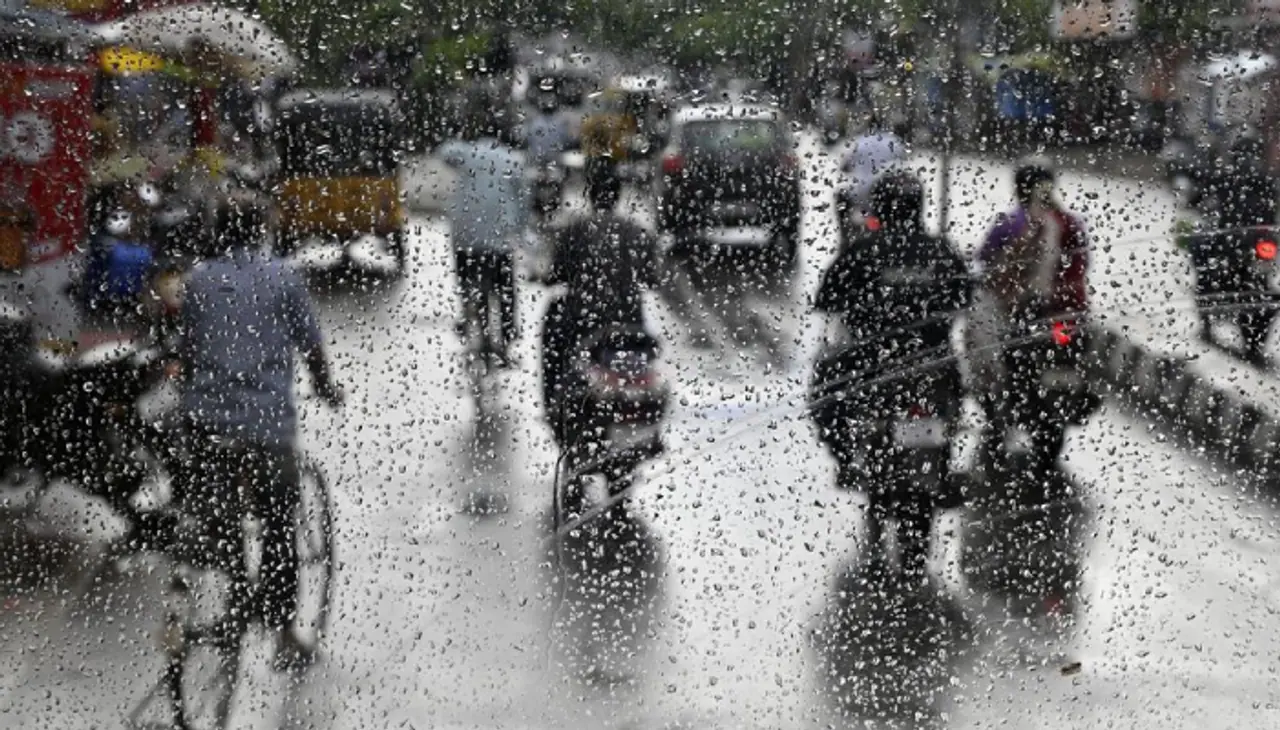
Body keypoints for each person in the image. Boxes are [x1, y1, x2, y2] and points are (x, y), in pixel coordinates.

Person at [176, 194, 342, 670]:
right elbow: (311, 345)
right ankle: (284, 632)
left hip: (206, 419)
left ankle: (231, 600)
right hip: (266, 423)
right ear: (260, 230)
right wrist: (326, 388)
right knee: (278, 525)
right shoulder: (284, 276)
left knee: (220, 518)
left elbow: (190, 346)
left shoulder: (200, 280)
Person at [810, 170, 972, 583]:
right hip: (932, 368)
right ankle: (941, 460)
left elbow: (826, 298)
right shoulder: (940, 251)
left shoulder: (861, 251)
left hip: (872, 369)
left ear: (880, 207)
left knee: (823, 392)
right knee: (954, 399)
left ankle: (846, 459)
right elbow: (964, 298)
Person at [969, 158, 1091, 474]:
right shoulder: (1070, 222)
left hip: (1028, 315)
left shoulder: (1013, 224)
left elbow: (986, 262)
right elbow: (1082, 265)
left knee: (998, 357)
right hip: (1067, 316)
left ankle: (1004, 401)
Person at [540, 159, 660, 446]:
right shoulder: (637, 232)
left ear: (591, 194)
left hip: (581, 324)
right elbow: (652, 279)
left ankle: (555, 408)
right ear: (617, 195)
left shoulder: (575, 230)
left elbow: (555, 274)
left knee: (554, 358)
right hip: (629, 326)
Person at [439, 103, 529, 365]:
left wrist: (458, 133)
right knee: (505, 291)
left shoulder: (466, 154)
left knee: (468, 284)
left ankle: (469, 321)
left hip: (465, 234)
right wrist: (520, 229)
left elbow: (443, 152)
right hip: (499, 238)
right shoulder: (512, 159)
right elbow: (523, 200)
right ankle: (508, 333)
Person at [1187, 133, 1278, 366]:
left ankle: (1207, 320)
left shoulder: (1223, 175)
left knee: (1203, 261)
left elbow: (1196, 198)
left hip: (1229, 243)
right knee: (1263, 287)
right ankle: (1253, 343)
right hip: (1259, 245)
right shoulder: (1266, 179)